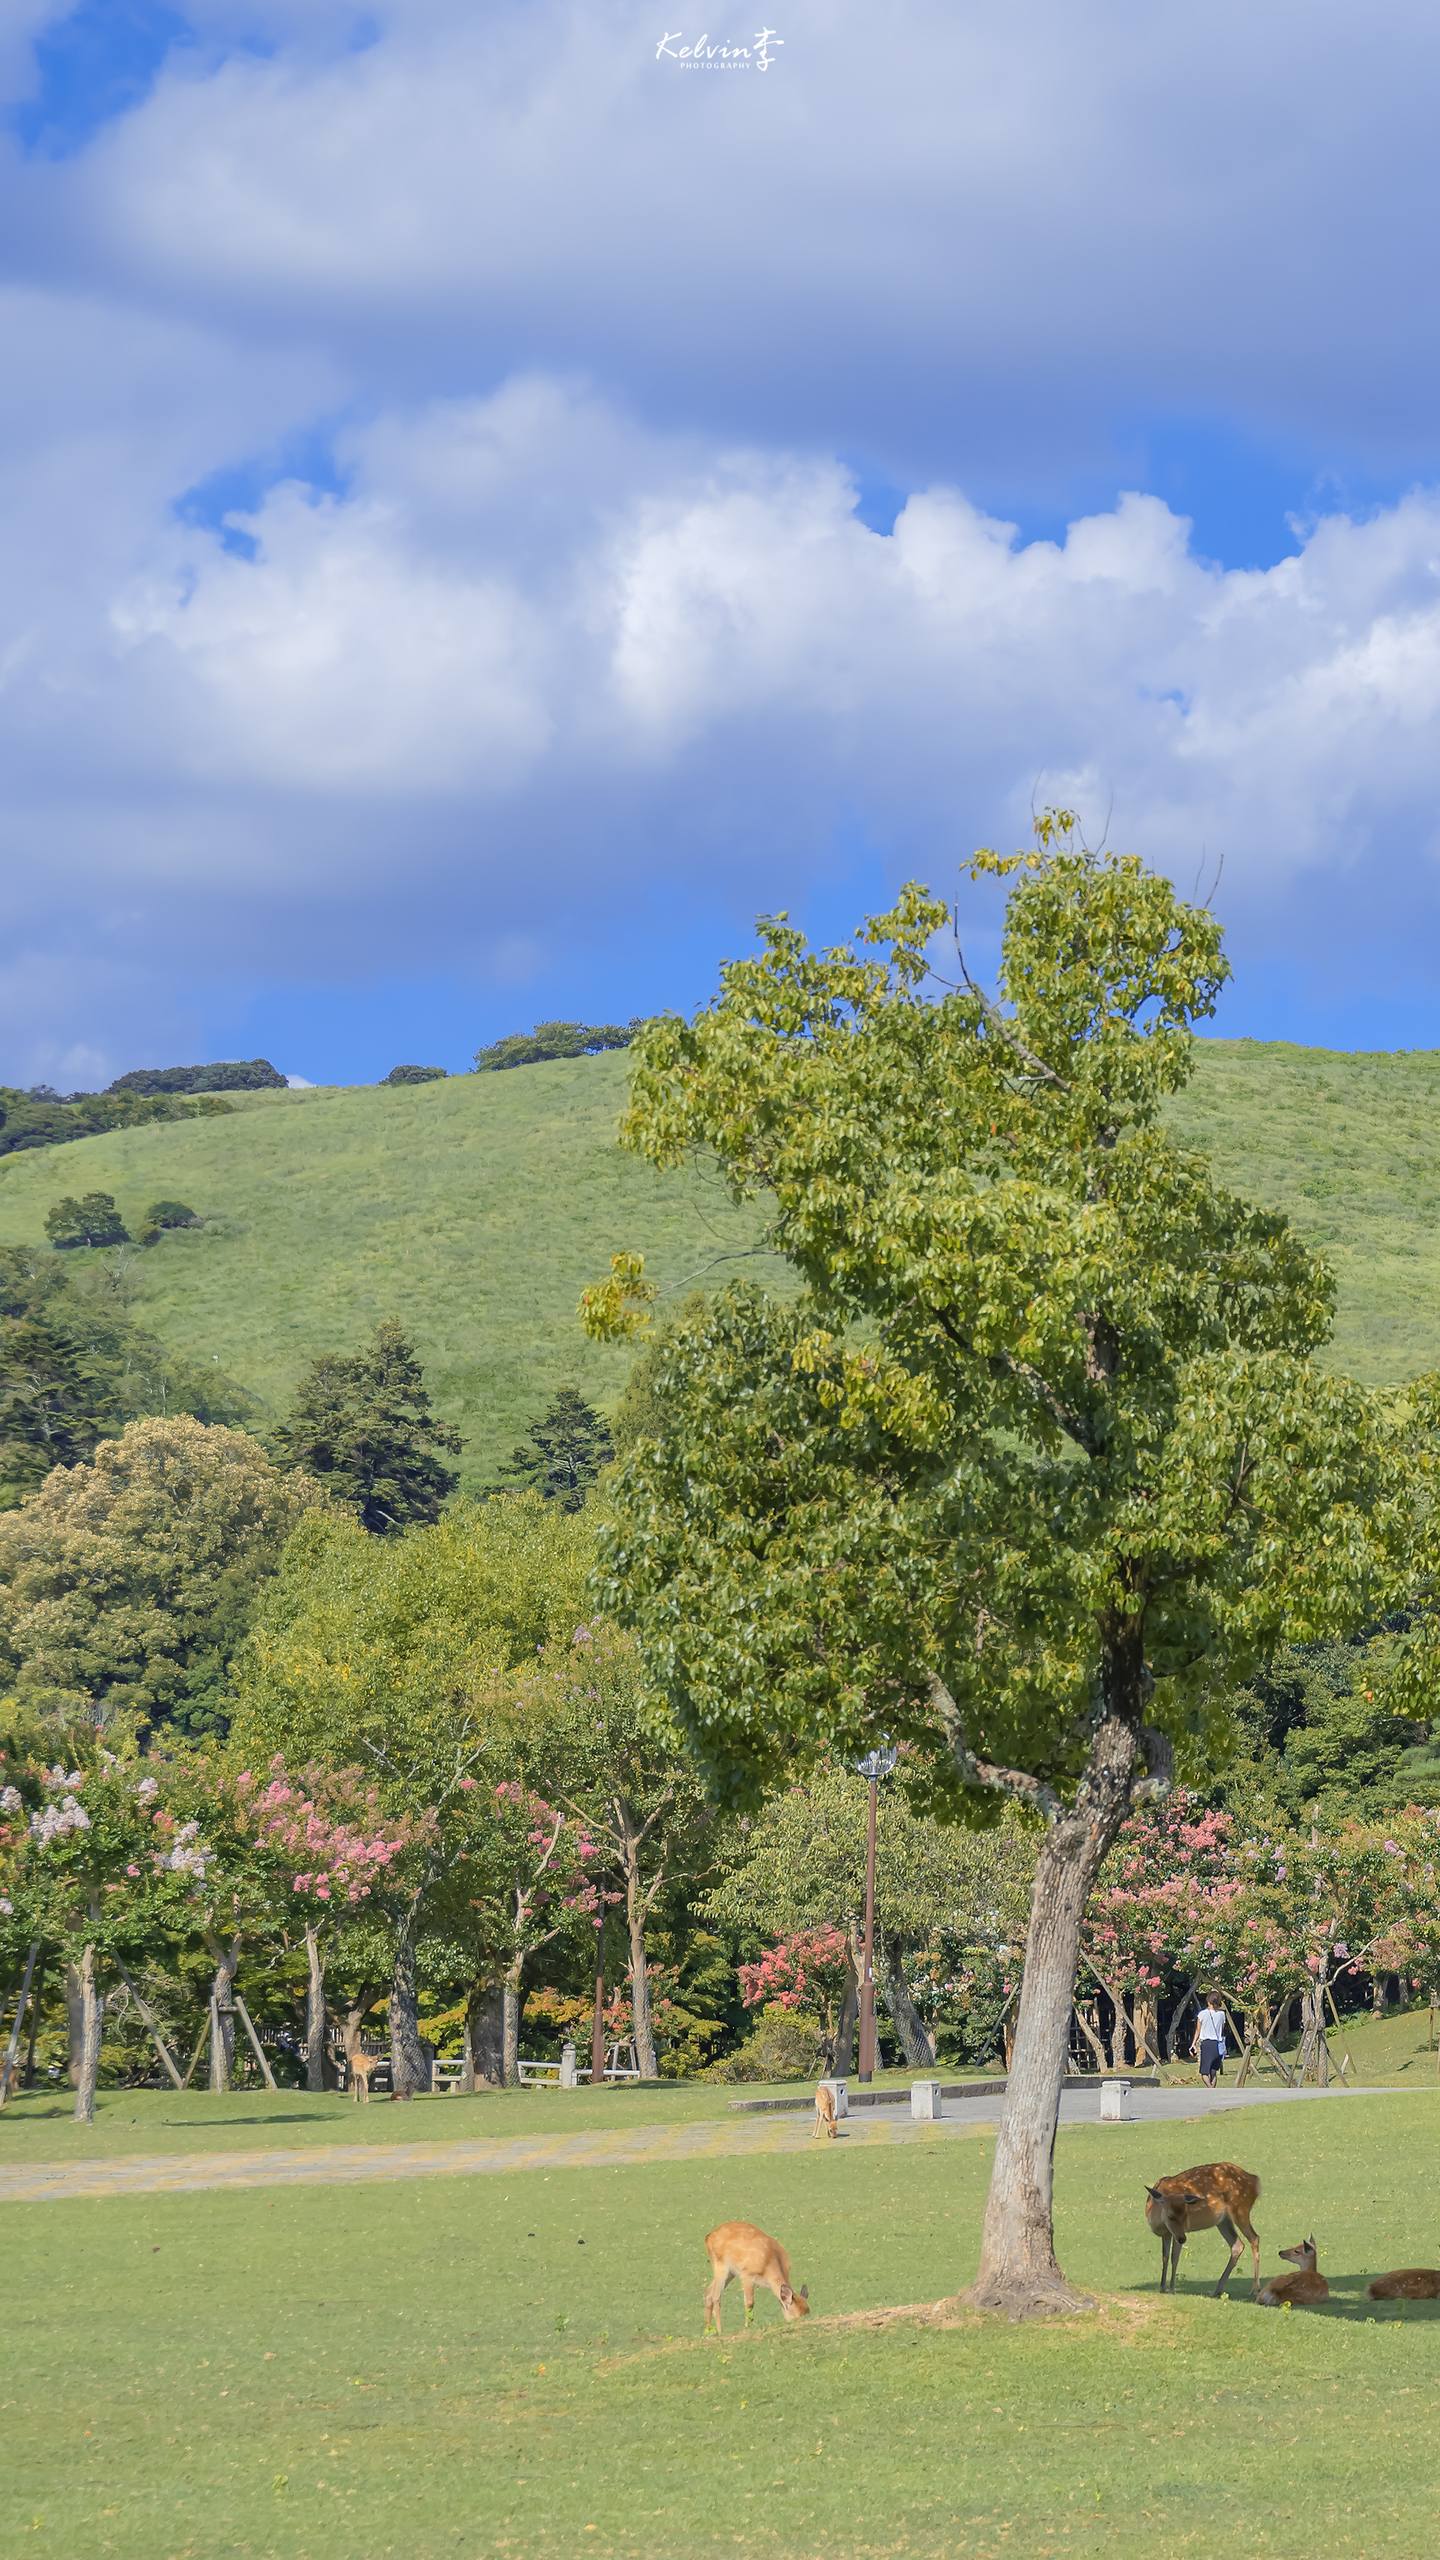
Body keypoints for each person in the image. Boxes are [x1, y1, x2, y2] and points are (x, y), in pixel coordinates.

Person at [1192, 1993, 1228, 2089]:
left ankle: (1210, 2088)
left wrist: (1193, 2043)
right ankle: (1213, 2088)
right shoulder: (1222, 2014)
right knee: (1213, 2071)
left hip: (1207, 2043)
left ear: (1208, 2001)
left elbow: (1198, 2031)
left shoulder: (1202, 2014)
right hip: (1218, 2044)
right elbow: (1222, 2028)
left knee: (1204, 2071)